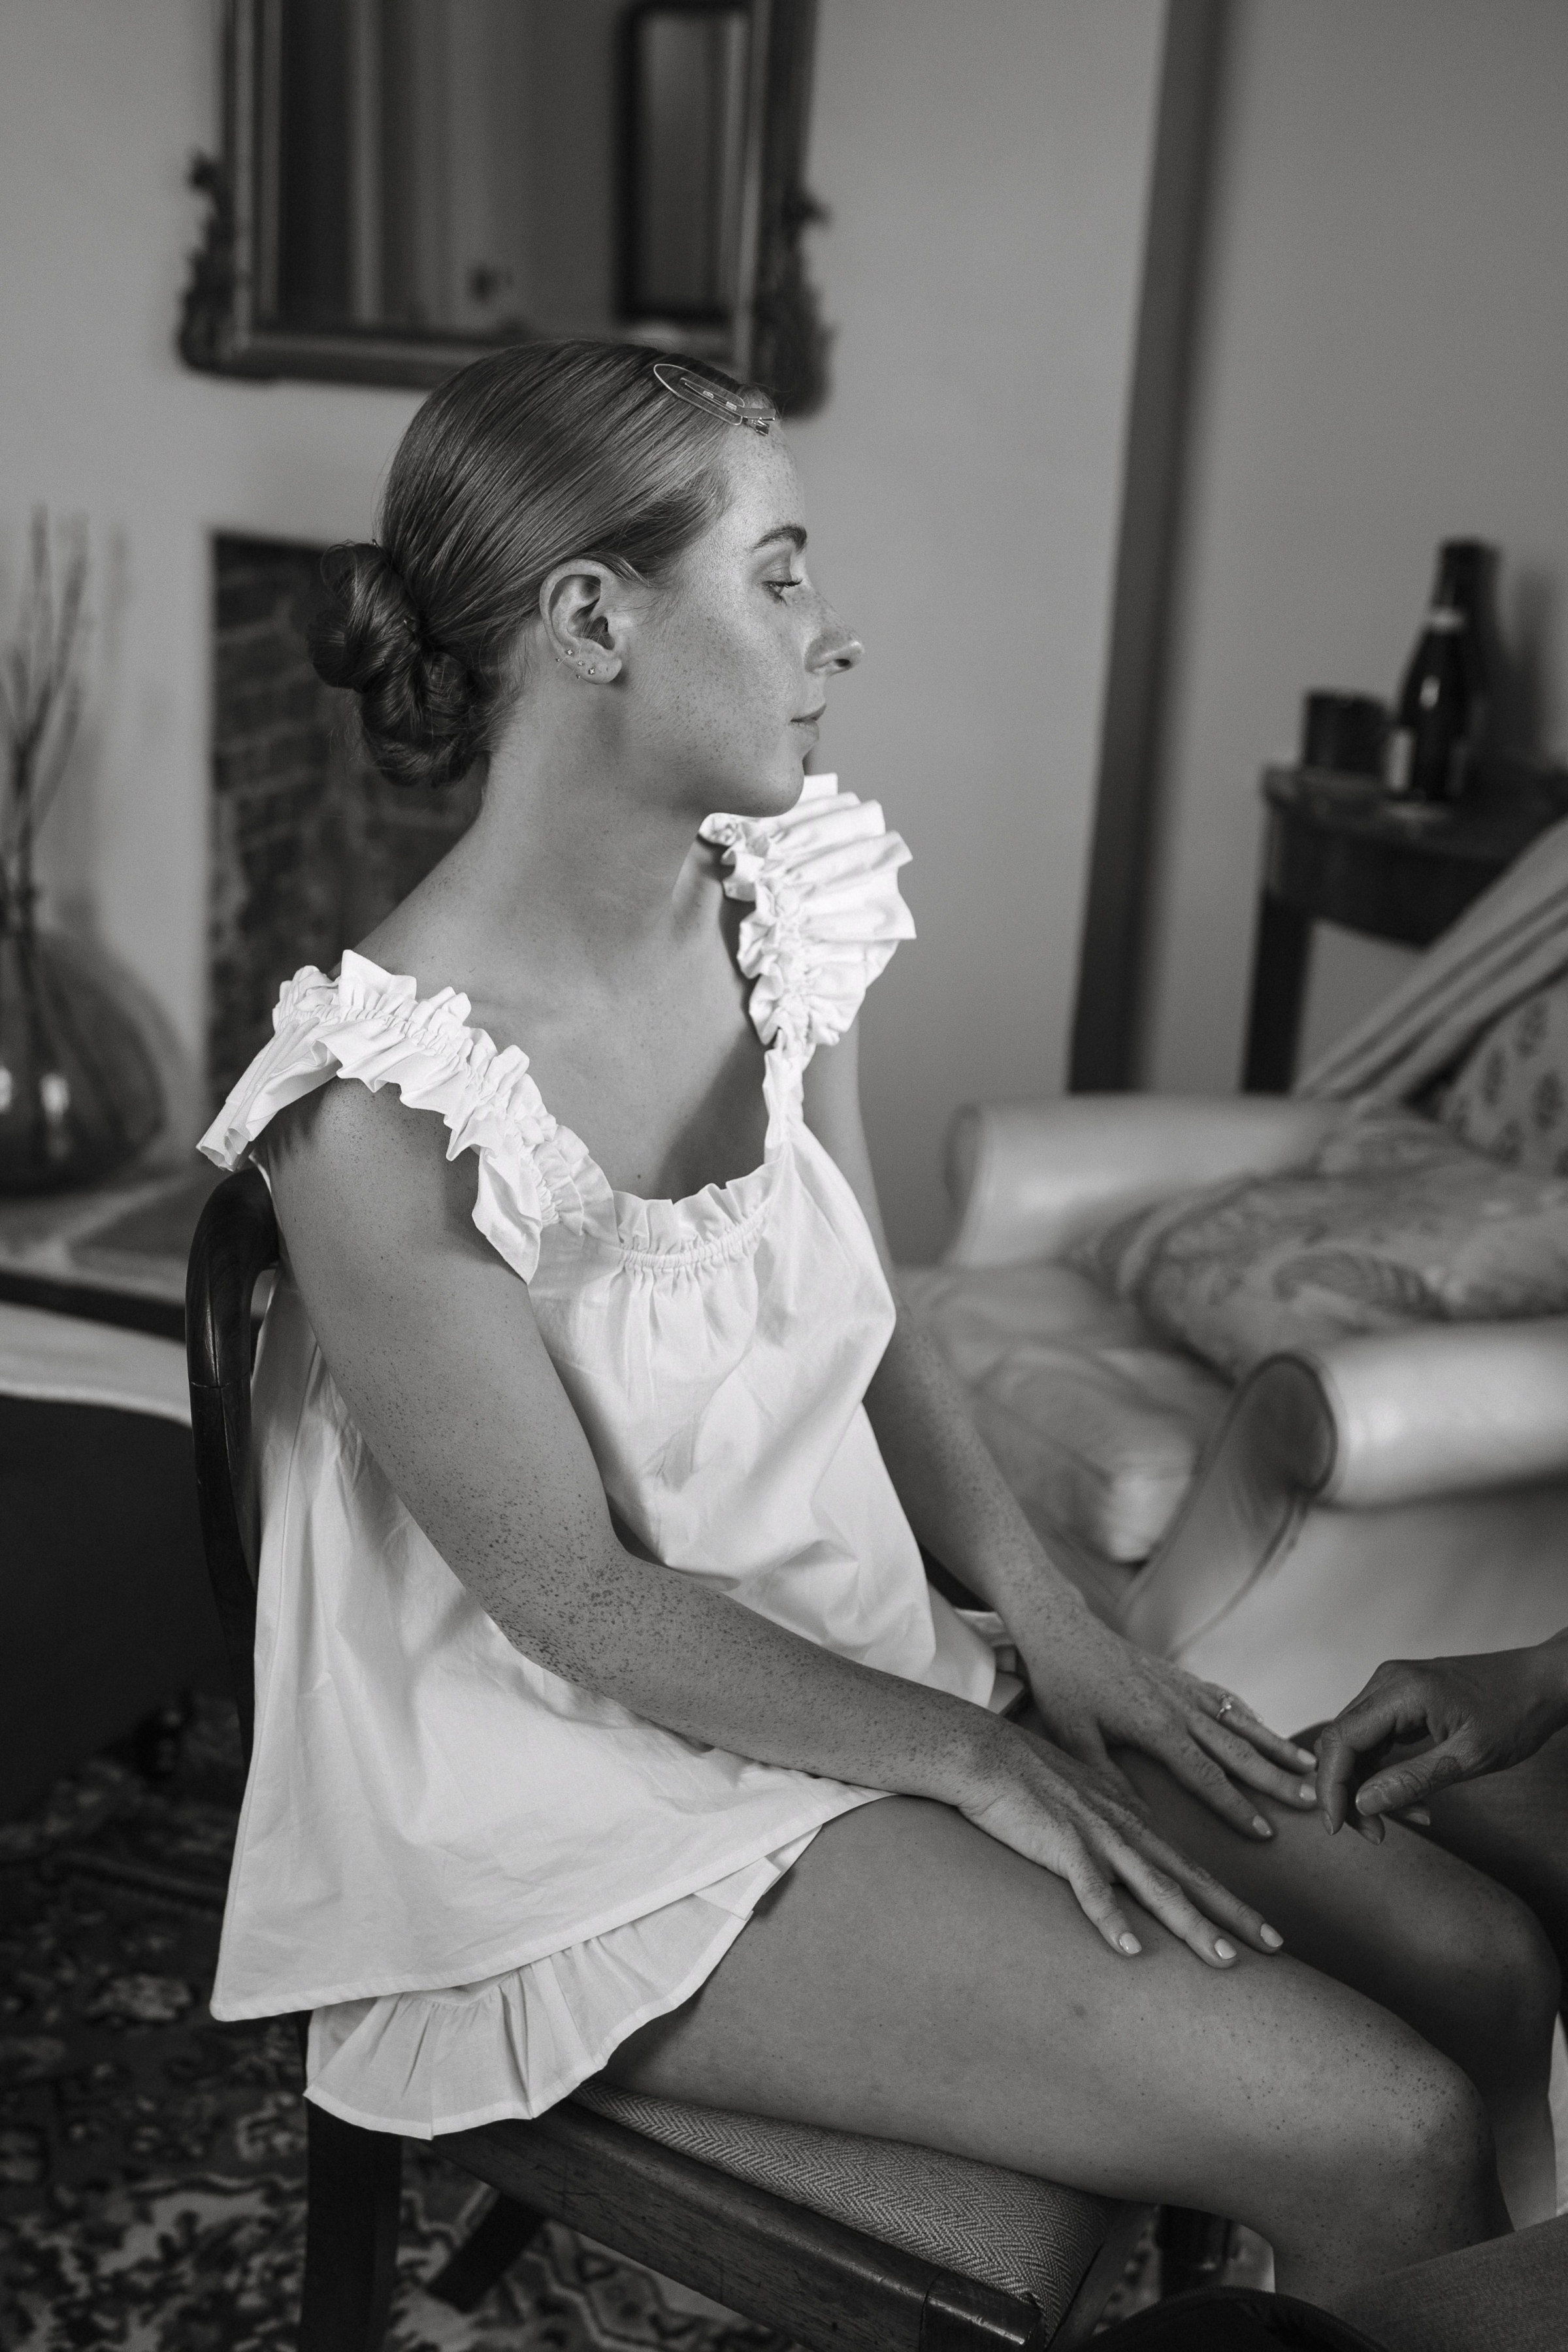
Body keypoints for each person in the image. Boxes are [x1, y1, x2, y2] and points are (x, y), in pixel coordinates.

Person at [199, 340, 1560, 2314]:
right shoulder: (377, 1109)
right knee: (1390, 2128)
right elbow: (573, 1604)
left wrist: (1058, 1631)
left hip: (853, 1650)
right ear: (593, 621)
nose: (832, 633)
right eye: (777, 575)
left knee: (1490, 1972)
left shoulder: (783, 906)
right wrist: (969, 1761)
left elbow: (863, 1306)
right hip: (589, 1794)